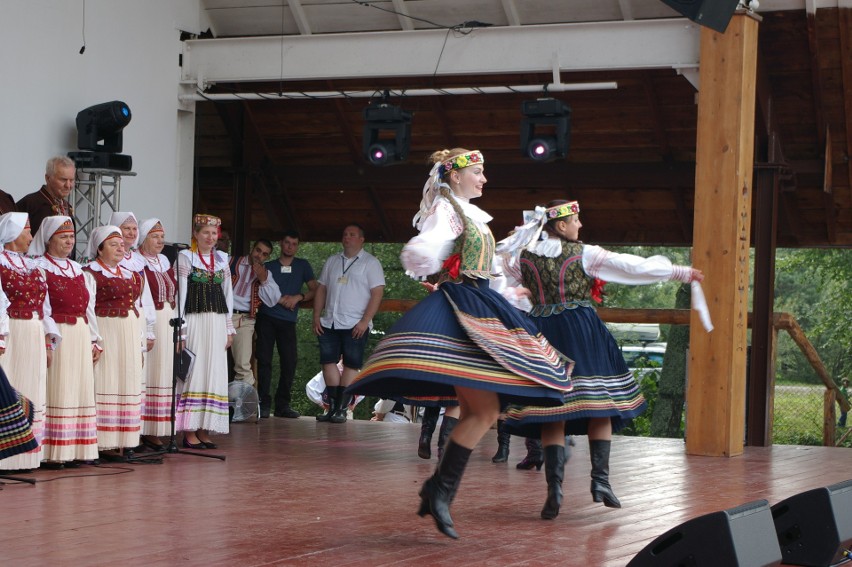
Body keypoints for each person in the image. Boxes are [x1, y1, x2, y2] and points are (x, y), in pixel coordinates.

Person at [345, 148, 573, 539]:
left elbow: (489, 267)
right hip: (464, 308)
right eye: (479, 173)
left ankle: (439, 490)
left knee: (481, 412)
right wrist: (421, 254)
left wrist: (510, 292)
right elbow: (434, 239)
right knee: (482, 411)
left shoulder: (471, 213)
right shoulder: (448, 210)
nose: (484, 179)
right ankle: (439, 491)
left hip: (482, 302)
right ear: (455, 175)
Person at [497, 199, 705, 519]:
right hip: (581, 329)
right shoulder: (585, 253)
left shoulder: (521, 256)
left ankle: (554, 488)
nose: (580, 226)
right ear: (562, 225)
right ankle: (601, 482)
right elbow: (631, 266)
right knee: (601, 403)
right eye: (576, 221)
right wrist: (678, 271)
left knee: (553, 410)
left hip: (543, 332)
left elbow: (500, 282)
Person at [31, 216, 100, 467]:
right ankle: (54, 451)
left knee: (78, 389)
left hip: (80, 333)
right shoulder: (39, 267)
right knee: (59, 388)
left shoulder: (77, 269)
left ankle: (74, 449)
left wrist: (95, 339)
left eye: (71, 237)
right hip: (59, 332)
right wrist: (49, 339)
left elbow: (88, 307)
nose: (69, 241)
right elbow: (43, 307)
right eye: (63, 237)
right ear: (49, 240)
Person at [0, 212, 59, 472]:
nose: (31, 236)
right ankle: (7, 455)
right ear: (12, 233)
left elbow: (44, 307)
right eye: (26, 230)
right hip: (12, 331)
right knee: (9, 389)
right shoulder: (0, 263)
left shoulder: (34, 266)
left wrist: (48, 340)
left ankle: (28, 455)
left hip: (33, 332)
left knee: (32, 386)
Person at [83, 225, 146, 461]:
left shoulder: (131, 274)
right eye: (113, 244)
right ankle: (103, 442)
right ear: (99, 249)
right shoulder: (90, 274)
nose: (120, 248)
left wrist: (140, 344)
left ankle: (125, 439)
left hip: (128, 332)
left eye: (121, 244)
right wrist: (93, 341)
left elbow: (137, 310)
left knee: (127, 382)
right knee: (106, 381)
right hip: (106, 330)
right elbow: (87, 309)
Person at [312, 224, 385, 424]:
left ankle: (342, 409)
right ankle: (332, 407)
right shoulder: (332, 261)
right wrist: (316, 315)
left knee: (352, 364)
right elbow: (321, 289)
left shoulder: (371, 263)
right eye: (345, 234)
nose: (347, 237)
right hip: (330, 320)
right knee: (327, 362)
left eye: (352, 234)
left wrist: (365, 321)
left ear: (362, 239)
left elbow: (377, 293)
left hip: (355, 322)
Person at [175, 214, 234, 449]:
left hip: (217, 322)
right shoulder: (185, 257)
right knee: (195, 371)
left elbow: (228, 293)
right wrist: (181, 328)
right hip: (195, 320)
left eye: (213, 233)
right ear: (196, 235)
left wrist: (229, 328)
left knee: (214, 371)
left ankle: (204, 427)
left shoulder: (222, 259)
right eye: (205, 233)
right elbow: (180, 294)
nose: (210, 238)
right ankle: (189, 430)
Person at [256, 230, 317, 418]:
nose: (290, 246)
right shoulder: (268, 265)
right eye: (287, 242)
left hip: (288, 321)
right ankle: (262, 404)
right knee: (264, 361)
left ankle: (283, 405)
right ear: (281, 243)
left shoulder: (303, 265)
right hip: (266, 317)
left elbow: (315, 289)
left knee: (289, 362)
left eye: (294, 244)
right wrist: (282, 299)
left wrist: (299, 297)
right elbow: (259, 289)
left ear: (297, 246)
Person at [137, 219, 178, 450]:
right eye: (155, 236)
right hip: (149, 320)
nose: (160, 240)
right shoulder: (138, 261)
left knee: (163, 373)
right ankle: (143, 429)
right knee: (148, 372)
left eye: (162, 236)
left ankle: (157, 428)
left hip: (168, 320)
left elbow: (174, 294)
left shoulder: (164, 260)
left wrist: (180, 332)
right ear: (144, 239)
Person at [227, 239, 275, 394]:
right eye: (258, 250)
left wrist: (263, 279)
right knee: (212, 358)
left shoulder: (266, 274)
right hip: (222, 316)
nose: (259, 255)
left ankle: (243, 405)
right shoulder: (231, 262)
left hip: (245, 320)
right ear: (252, 249)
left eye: (264, 254)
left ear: (267, 258)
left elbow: (272, 299)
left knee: (243, 365)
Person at [16, 156, 75, 237]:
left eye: (71, 180)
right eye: (63, 180)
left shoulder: (67, 207)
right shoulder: (30, 203)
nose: (68, 185)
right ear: (47, 178)